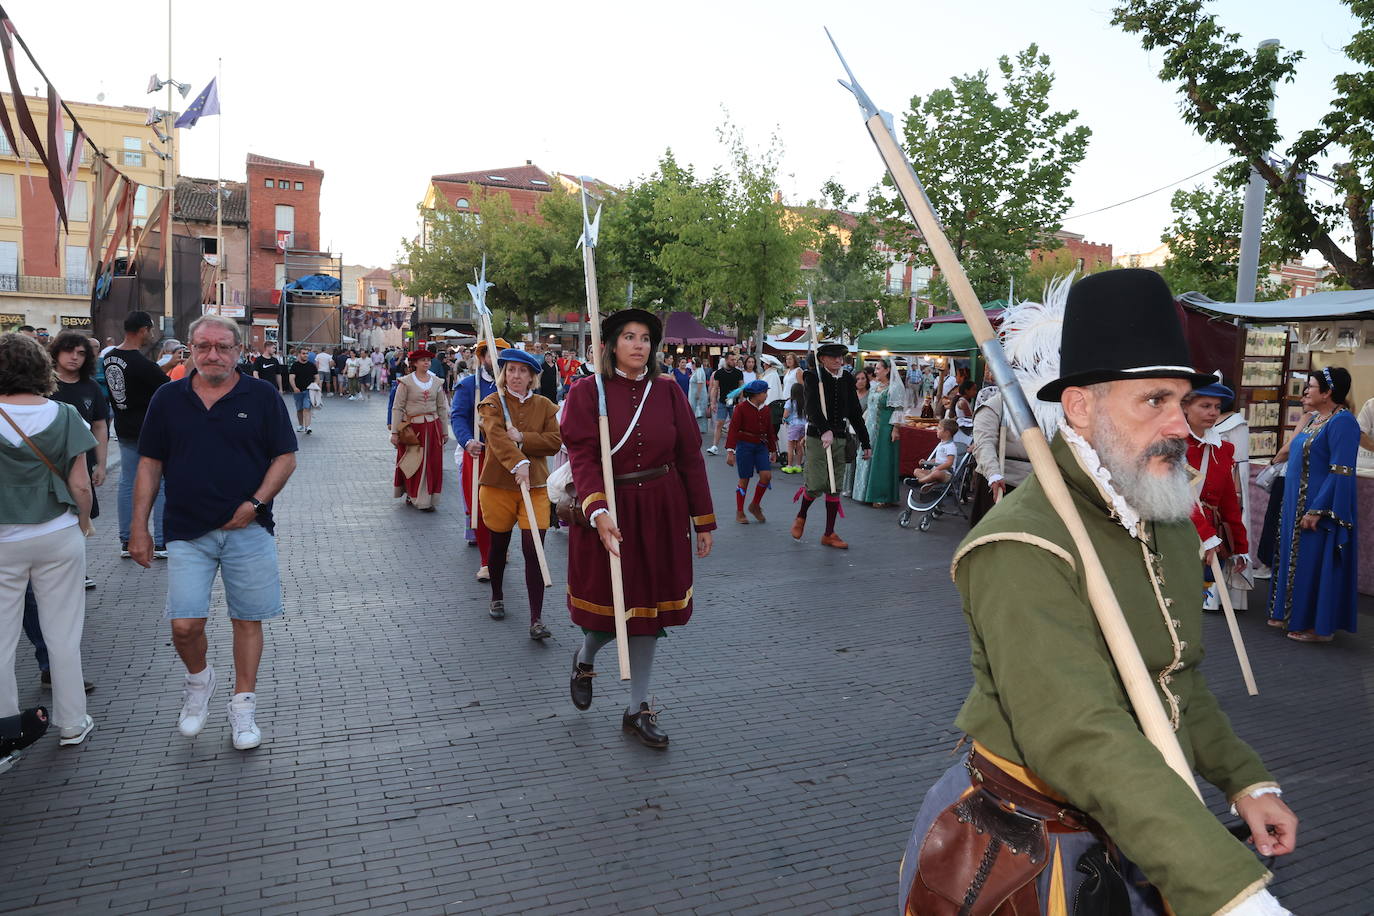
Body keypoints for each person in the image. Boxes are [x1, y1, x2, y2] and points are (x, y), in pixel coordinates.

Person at [898, 269, 1297, 916]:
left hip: (1141, 820)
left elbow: (1178, 680)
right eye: (1154, 401)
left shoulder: (1161, 517)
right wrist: (1229, 892)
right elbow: (1080, 733)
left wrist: (1245, 780)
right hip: (1023, 848)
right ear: (1081, 406)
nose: (1179, 424)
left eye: (1183, 399)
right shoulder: (1020, 545)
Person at [131, 315, 298, 751]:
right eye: (203, 347)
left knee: (247, 618)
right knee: (185, 625)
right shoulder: (168, 398)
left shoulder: (260, 395)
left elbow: (285, 457)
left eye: (223, 347)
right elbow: (149, 464)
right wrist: (139, 528)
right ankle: (199, 680)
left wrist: (255, 504)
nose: (213, 355)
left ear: (238, 351)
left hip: (249, 528)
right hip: (187, 530)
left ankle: (243, 707)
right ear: (189, 350)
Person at [562, 308, 715, 748]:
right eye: (629, 337)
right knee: (611, 612)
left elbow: (689, 457)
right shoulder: (588, 392)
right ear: (611, 346)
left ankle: (637, 707)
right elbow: (583, 455)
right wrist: (598, 510)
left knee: (648, 615)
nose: (638, 345)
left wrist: (702, 520)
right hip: (611, 511)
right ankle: (586, 657)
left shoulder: (668, 392)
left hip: (662, 512)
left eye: (645, 338)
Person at [0, 333, 96, 749]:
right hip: (57, 533)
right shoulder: (66, 414)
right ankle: (72, 722)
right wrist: (85, 522)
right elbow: (81, 484)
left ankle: (5, 727)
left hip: (4, 538)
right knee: (63, 634)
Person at [1266, 367, 1360, 642]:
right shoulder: (1314, 420)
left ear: (1328, 392)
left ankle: (1317, 627)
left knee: (1315, 561)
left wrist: (1318, 509)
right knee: (1295, 559)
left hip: (1319, 506)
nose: (1305, 391)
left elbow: (1341, 470)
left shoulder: (1343, 423)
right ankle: (1291, 614)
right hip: (1296, 502)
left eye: (1311, 386)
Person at [476, 349, 561, 635]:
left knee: (533, 550)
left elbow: (554, 442)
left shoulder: (546, 406)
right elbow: (497, 440)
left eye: (522, 371)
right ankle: (497, 596)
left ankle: (536, 618)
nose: (515, 376)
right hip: (498, 485)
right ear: (504, 373)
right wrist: (519, 461)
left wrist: (524, 438)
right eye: (511, 370)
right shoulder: (491, 403)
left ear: (532, 377)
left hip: (536, 487)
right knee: (498, 546)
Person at [101, 311, 168, 559]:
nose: (151, 334)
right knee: (160, 483)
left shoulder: (109, 359)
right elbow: (167, 388)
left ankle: (126, 540)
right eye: (150, 330)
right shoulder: (142, 364)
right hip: (148, 429)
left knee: (127, 483)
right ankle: (162, 541)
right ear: (142, 330)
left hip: (124, 426)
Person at [791, 343, 870, 549]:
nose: (838, 360)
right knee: (817, 484)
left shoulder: (846, 379)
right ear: (822, 359)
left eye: (841, 357)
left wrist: (866, 441)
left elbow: (854, 413)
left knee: (835, 487)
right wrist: (824, 428)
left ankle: (829, 533)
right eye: (833, 357)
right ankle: (801, 516)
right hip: (817, 437)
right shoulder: (813, 377)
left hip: (840, 437)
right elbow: (812, 407)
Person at [1184, 380, 1250, 613]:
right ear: (1185, 407)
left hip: (1211, 539)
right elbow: (1179, 497)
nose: (1213, 413)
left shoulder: (1224, 449)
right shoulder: (1172, 445)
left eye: (1216, 407)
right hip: (1175, 534)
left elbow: (1228, 500)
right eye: (1205, 406)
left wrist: (1240, 546)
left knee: (1196, 602)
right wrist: (1206, 536)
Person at [49, 332, 108, 593]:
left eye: (81, 353)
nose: (75, 357)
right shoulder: (44, 385)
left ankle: (77, 570)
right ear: (56, 353)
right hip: (49, 466)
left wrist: (102, 463)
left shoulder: (91, 387)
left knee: (81, 518)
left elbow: (99, 425)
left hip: (82, 464)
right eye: (69, 351)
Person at [451, 337, 508, 576]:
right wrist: (467, 441)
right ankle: (486, 561)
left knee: (505, 510)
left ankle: (500, 550)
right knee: (482, 509)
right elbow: (458, 417)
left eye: (501, 356)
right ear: (482, 358)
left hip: (507, 455)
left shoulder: (513, 386)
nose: (495, 361)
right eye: (490, 355)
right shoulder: (468, 386)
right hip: (479, 454)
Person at [390, 349, 450, 511]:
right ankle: (414, 495)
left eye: (428, 360)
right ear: (415, 363)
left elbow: (441, 408)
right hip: (413, 428)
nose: (426, 363)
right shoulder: (406, 382)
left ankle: (428, 497)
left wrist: (445, 432)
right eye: (423, 360)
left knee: (432, 463)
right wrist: (394, 432)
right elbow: (397, 408)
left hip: (433, 427)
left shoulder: (437, 382)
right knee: (413, 462)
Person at [855, 358, 907, 507]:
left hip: (884, 427)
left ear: (887, 370)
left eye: (878, 369)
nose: (875, 371)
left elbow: (898, 409)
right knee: (866, 456)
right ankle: (864, 493)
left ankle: (881, 496)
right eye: (876, 369)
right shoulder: (874, 386)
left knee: (881, 460)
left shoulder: (895, 388)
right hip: (870, 426)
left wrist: (896, 428)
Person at [726, 379, 777, 524]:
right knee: (745, 479)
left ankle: (755, 505)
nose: (767, 395)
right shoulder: (741, 408)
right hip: (745, 446)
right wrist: (730, 451)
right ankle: (740, 511)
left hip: (761, 446)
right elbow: (733, 430)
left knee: (766, 476)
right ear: (756, 394)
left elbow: (770, 431)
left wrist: (773, 450)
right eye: (765, 392)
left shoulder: (766, 409)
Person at [706, 352, 742, 455]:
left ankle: (734, 447)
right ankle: (714, 447)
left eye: (735, 360)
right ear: (726, 360)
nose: (734, 362)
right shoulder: (719, 373)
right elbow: (715, 388)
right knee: (719, 424)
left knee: (735, 426)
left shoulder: (738, 373)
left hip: (735, 403)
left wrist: (741, 402)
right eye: (732, 360)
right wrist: (712, 402)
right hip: (722, 402)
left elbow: (741, 388)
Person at [844, 368, 871, 497]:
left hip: (863, 431)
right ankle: (848, 487)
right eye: (857, 379)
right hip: (849, 431)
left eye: (863, 378)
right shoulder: (851, 394)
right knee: (850, 460)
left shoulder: (870, 395)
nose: (860, 381)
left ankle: (858, 489)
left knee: (861, 460)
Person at [911, 418, 959, 487]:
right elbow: (938, 459)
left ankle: (919, 482)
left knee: (936, 473)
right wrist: (927, 462)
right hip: (935, 471)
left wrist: (938, 468)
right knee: (916, 471)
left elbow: (949, 463)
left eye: (939, 428)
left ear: (947, 432)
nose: (937, 430)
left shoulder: (950, 446)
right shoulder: (941, 444)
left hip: (946, 473)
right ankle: (929, 482)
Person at [288, 348, 317, 434]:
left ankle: (308, 427)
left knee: (306, 407)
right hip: (298, 391)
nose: (305, 355)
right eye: (304, 353)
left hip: (308, 391)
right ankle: (301, 425)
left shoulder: (312, 365)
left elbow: (317, 377)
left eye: (307, 354)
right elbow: (291, 378)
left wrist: (314, 386)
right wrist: (294, 387)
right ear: (299, 354)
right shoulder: (295, 366)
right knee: (299, 409)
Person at [781, 382, 807, 474]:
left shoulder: (790, 402)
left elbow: (786, 414)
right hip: (804, 425)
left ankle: (789, 466)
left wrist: (784, 419)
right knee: (800, 446)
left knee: (790, 446)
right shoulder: (804, 401)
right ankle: (798, 465)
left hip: (793, 426)